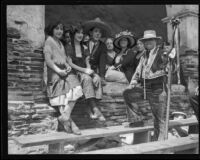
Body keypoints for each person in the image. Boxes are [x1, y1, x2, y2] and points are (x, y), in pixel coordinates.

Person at [123, 30, 170, 141]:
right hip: (144, 88)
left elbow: (169, 69)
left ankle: (160, 144)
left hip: (158, 89)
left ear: (155, 41)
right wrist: (133, 82)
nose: (148, 42)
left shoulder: (162, 53)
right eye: (146, 40)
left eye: (150, 40)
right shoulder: (144, 54)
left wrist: (167, 65)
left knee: (159, 120)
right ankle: (137, 119)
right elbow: (138, 70)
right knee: (127, 93)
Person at [43, 21, 83, 135]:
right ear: (52, 30)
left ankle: (64, 116)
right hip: (53, 71)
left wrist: (67, 67)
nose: (59, 31)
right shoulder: (49, 41)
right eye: (57, 29)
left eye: (61, 29)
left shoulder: (60, 43)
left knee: (77, 87)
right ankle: (71, 124)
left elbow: (64, 59)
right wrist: (59, 70)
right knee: (61, 97)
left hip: (63, 69)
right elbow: (48, 60)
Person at [65, 23, 106, 122]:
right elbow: (70, 63)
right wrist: (85, 71)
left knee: (96, 79)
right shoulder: (69, 47)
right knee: (87, 79)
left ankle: (91, 106)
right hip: (74, 72)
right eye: (78, 33)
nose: (80, 35)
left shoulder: (84, 47)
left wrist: (90, 71)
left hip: (83, 71)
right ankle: (95, 109)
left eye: (82, 33)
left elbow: (87, 63)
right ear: (73, 34)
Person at [83, 17, 112, 85]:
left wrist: (102, 77)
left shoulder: (103, 46)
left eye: (100, 32)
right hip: (83, 69)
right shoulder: (84, 43)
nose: (98, 34)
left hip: (94, 71)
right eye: (96, 31)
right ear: (90, 32)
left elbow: (102, 62)